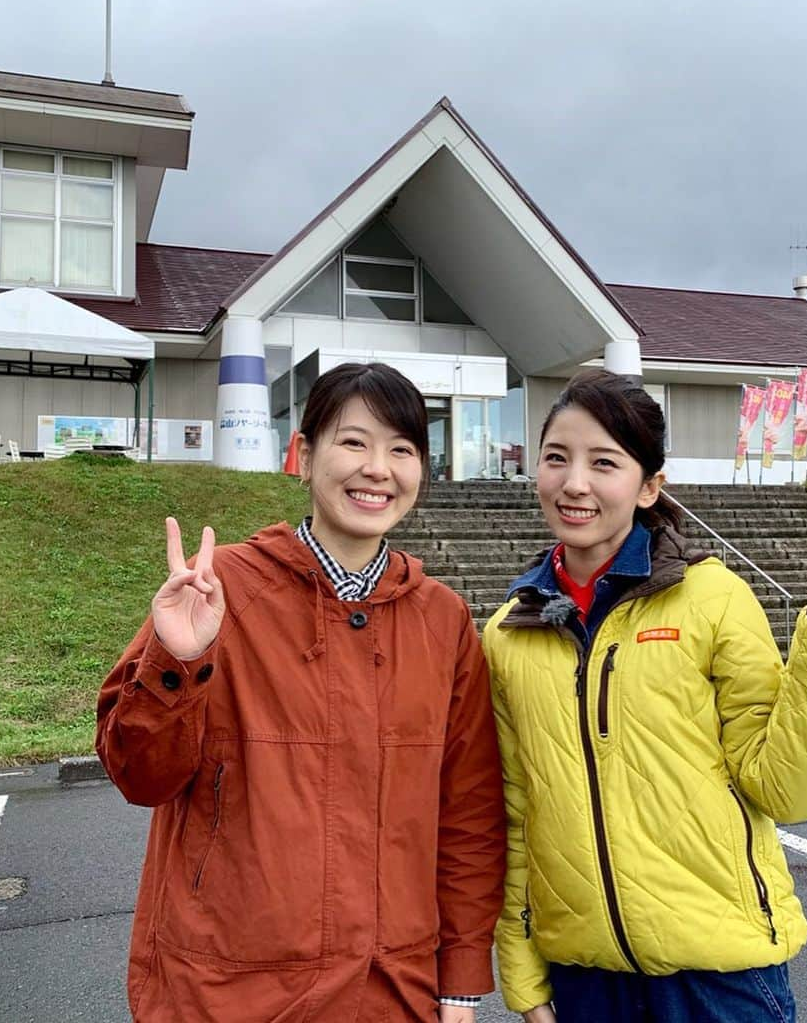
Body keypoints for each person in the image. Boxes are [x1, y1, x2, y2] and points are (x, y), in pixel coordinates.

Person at [482, 369, 807, 1023]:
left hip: (720, 979)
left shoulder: (712, 597)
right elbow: (518, 814)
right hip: (584, 980)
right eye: (557, 458)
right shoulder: (508, 633)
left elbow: (787, 790)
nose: (574, 482)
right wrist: (524, 979)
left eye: (604, 462)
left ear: (649, 487)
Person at [97, 363, 506, 1023]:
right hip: (225, 988)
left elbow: (468, 812)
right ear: (306, 456)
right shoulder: (220, 586)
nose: (378, 469)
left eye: (402, 449)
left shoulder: (443, 619)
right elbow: (141, 778)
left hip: (390, 989)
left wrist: (459, 979)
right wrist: (178, 657)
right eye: (354, 442)